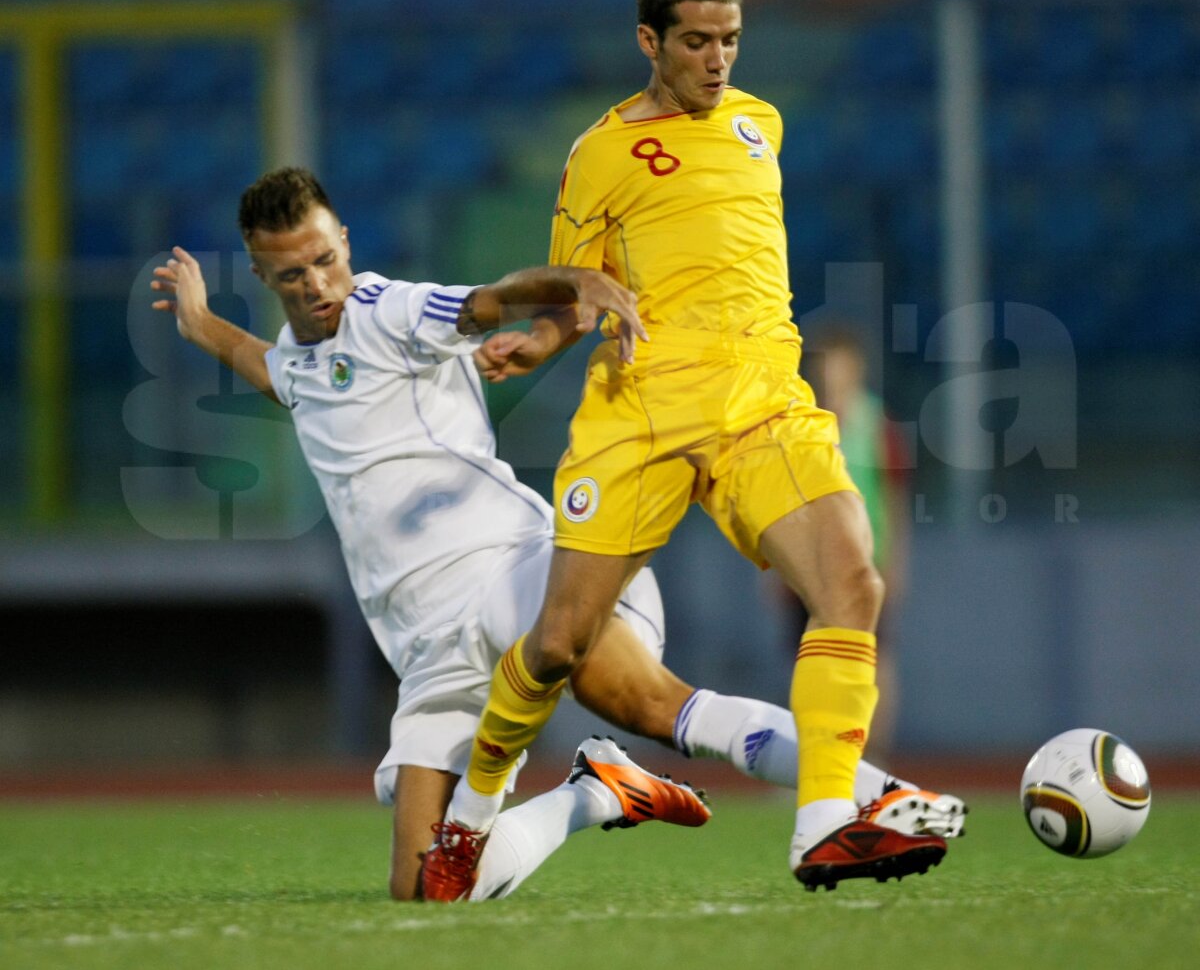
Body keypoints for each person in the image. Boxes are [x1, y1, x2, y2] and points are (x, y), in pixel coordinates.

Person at [152, 168, 962, 902]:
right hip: (427, 646)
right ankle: (598, 793)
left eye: (326, 259)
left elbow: (488, 301)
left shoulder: (385, 310)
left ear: (346, 245)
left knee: (650, 704)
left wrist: (569, 284)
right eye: (293, 274)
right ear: (263, 275)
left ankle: (881, 794)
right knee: (429, 891)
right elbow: (277, 373)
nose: (318, 284)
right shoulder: (300, 357)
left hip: (511, 569)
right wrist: (202, 326)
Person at [425, 0, 955, 899]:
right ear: (650, 41)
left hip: (764, 404)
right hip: (645, 411)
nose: (719, 60)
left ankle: (825, 823)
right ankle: (466, 825)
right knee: (557, 646)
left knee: (854, 584)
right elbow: (575, 292)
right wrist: (542, 343)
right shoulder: (599, 154)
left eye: (732, 40)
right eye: (699, 42)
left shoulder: (763, 125)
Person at [783, 325, 912, 763]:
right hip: (806, 560)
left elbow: (893, 496)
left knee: (874, 657)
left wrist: (894, 561)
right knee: (808, 654)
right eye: (821, 365)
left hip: (864, 559)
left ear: (855, 368)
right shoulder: (798, 419)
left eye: (835, 364)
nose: (828, 374)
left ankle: (873, 755)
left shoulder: (876, 425)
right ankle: (815, 754)